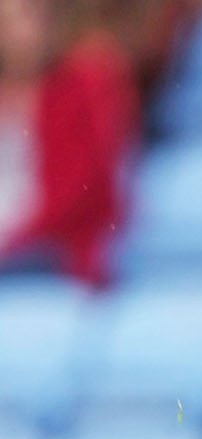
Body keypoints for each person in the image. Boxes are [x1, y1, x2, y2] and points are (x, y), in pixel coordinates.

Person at [0, 0, 139, 285]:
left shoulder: (87, 82)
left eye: (27, 14)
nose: (16, 29)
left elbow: (78, 193)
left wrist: (9, 242)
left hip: (53, 254)